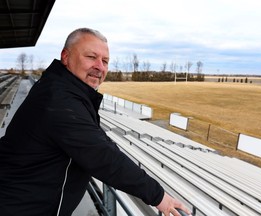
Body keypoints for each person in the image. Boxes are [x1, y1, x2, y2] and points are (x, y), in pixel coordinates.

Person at [0, 28, 192, 216]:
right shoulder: (59, 100)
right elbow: (103, 157)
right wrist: (160, 197)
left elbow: (93, 138)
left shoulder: (62, 89)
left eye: (105, 61)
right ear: (66, 57)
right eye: (91, 57)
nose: (100, 66)